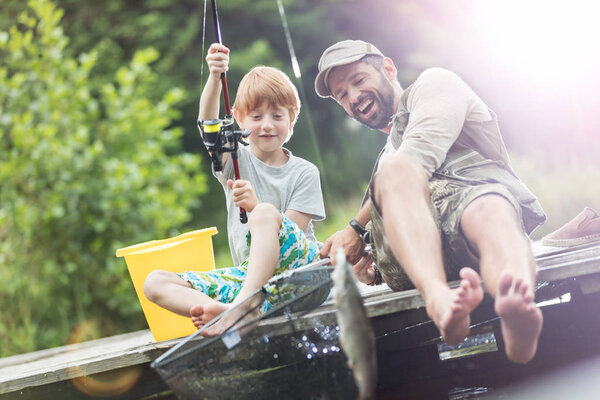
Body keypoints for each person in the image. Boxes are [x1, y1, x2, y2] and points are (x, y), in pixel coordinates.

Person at [314, 40, 547, 364]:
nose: (353, 97)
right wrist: (374, 268)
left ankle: (516, 305)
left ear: (388, 69)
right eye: (342, 95)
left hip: (473, 208)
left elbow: (419, 154)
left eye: (358, 80)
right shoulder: (385, 159)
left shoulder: (435, 85)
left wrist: (355, 226)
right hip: (419, 259)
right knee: (394, 171)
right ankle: (440, 301)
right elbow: (398, 187)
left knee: (489, 207)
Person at [143, 43, 326, 336]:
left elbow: (293, 232)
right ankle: (227, 315)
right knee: (154, 282)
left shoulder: (305, 172)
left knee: (265, 213)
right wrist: (216, 76)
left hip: (301, 280)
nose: (267, 125)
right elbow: (209, 127)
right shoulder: (232, 158)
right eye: (256, 117)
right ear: (239, 118)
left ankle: (243, 307)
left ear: (292, 119)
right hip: (251, 283)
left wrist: (256, 207)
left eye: (277, 116)